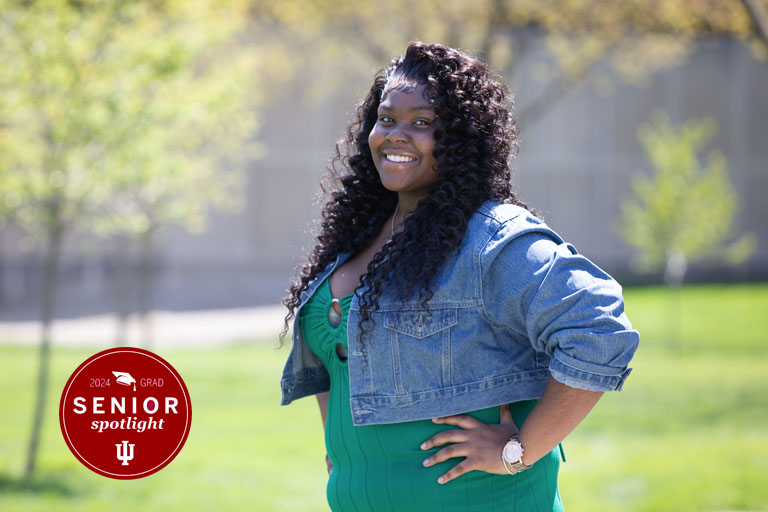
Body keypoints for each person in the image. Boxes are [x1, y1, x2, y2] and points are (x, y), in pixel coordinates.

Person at [279, 42, 639, 511]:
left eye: (423, 123)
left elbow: (598, 326)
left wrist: (518, 451)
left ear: (463, 140)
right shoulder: (358, 239)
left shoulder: (490, 240)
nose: (396, 134)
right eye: (386, 118)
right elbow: (333, 359)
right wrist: (343, 452)